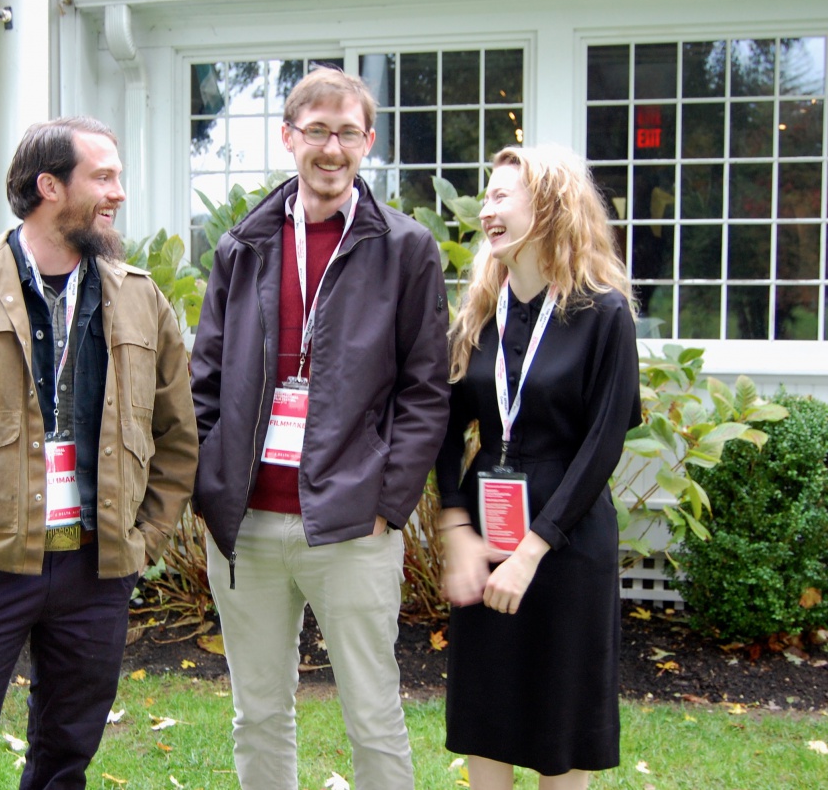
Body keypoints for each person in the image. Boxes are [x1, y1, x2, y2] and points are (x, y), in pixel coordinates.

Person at [0, 116, 198, 790]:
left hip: (96, 568)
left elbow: (178, 436)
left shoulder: (140, 298)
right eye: (103, 177)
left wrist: (144, 539)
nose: (119, 194)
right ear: (50, 186)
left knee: (64, 760)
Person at [189, 66, 451, 790]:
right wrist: (213, 493)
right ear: (289, 138)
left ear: (367, 141)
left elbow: (426, 390)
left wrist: (386, 503)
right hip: (246, 526)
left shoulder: (406, 249)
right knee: (258, 713)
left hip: (351, 524)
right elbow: (203, 379)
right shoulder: (243, 245)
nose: (330, 149)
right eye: (316, 132)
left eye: (346, 133)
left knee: (373, 712)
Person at [434, 144, 641, 790]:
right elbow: (441, 430)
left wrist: (531, 549)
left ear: (549, 206)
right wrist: (455, 527)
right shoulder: (477, 316)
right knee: (484, 710)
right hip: (487, 526)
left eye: (502, 196)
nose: (487, 209)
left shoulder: (602, 313)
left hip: (568, 539)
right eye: (486, 197)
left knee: (562, 722)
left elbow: (603, 445)